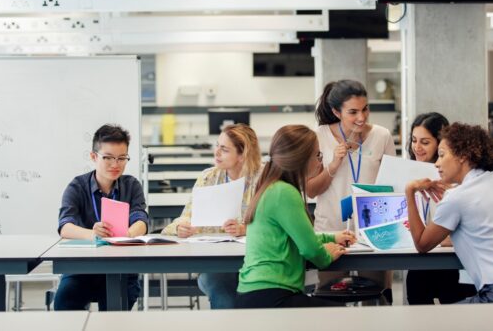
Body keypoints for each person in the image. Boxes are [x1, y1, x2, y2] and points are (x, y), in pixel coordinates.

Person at [405, 122, 493, 304]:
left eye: (442, 155)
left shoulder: (457, 198)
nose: (437, 163)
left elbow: (422, 244)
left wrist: (410, 192)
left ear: (463, 156)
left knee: (433, 322)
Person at [236, 124, 356, 308]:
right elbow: (311, 250)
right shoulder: (284, 193)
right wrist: (327, 256)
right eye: (318, 155)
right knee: (339, 315)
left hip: (257, 293)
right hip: (271, 295)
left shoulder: (272, 187)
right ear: (302, 159)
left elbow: (298, 235)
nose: (320, 161)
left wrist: (333, 237)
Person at [307, 79, 396, 302]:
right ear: (337, 112)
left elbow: (392, 187)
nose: (361, 117)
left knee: (378, 296)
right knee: (329, 298)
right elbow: (310, 190)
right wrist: (334, 165)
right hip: (330, 229)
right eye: (353, 112)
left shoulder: (381, 136)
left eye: (365, 109)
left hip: (374, 232)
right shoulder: (318, 136)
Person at [161, 123, 263, 309]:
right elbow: (185, 216)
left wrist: (245, 229)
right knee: (223, 289)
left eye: (224, 149)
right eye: (217, 146)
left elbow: (275, 225)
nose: (216, 153)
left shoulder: (264, 178)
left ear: (243, 155)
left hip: (256, 260)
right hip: (216, 263)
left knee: (253, 293)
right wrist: (180, 228)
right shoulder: (208, 177)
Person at [54, 124, 148, 311]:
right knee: (64, 302)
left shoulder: (131, 185)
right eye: (108, 158)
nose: (115, 164)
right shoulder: (77, 186)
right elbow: (65, 226)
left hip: (122, 269)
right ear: (93, 156)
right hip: (81, 269)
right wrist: (92, 234)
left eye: (122, 158)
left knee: (115, 312)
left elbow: (141, 219)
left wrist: (128, 233)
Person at [404, 112, 476, 305]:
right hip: (418, 258)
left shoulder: (456, 179)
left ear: (440, 144)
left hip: (449, 262)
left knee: (450, 302)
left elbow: (459, 232)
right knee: (416, 286)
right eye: (414, 140)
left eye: (425, 142)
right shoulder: (406, 174)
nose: (417, 148)